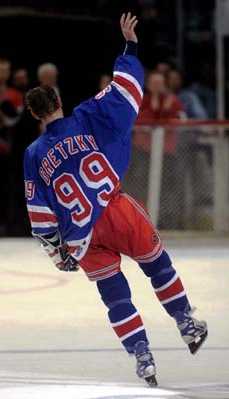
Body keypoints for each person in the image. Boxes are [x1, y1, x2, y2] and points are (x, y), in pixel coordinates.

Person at [24, 13, 207, 386]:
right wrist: (130, 48)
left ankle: (143, 357)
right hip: (115, 208)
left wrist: (58, 253)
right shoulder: (86, 116)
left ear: (33, 114)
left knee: (116, 298)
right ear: (59, 99)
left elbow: (40, 215)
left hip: (82, 237)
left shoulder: (34, 154)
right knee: (158, 266)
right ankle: (187, 323)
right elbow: (124, 91)